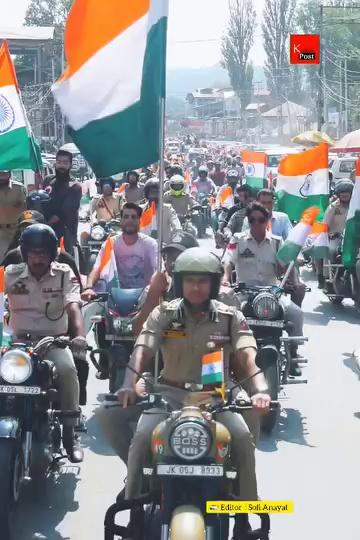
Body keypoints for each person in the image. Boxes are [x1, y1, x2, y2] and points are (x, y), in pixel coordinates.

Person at [117, 248, 270, 517]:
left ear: (213, 283)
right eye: (189, 280)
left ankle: (246, 513)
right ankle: (133, 512)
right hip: (169, 397)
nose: (196, 287)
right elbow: (143, 349)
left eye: (202, 280)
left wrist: (260, 390)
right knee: (141, 439)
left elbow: (248, 357)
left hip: (216, 400)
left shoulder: (230, 317)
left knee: (243, 438)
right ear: (180, 283)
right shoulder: (164, 314)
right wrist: (129, 383)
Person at [5, 224, 85, 462]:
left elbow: (73, 306)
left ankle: (70, 432)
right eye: (32, 253)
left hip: (53, 344)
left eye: (42, 253)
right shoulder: (9, 273)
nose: (37, 258)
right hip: (15, 345)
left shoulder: (63, 274)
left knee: (68, 370)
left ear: (52, 254)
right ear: (24, 253)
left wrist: (78, 336)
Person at [223, 202, 304, 376]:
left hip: (272, 293)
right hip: (244, 293)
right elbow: (227, 261)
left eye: (260, 220)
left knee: (296, 314)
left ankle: (294, 353)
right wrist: (224, 279)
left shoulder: (276, 242)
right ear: (248, 221)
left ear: (267, 220)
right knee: (226, 317)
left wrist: (293, 280)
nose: (256, 224)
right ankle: (228, 357)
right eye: (252, 220)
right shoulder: (237, 239)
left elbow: (286, 265)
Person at [243, 189, 305, 307]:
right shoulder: (241, 233)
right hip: (253, 264)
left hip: (280, 263)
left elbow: (291, 241)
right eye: (263, 203)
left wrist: (298, 257)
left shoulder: (279, 233)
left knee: (299, 289)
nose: (266, 206)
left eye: (269, 202)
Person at [82, 203, 158, 298]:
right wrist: (89, 288)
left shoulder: (150, 244)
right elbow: (97, 268)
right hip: (115, 296)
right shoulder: (110, 244)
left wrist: (153, 287)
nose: (129, 220)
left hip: (144, 297)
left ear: (139, 220)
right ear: (121, 221)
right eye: (126, 217)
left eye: (133, 217)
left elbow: (159, 270)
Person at [44, 149, 82, 255]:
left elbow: (63, 212)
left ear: (70, 165)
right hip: (46, 233)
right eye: (59, 162)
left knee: (66, 265)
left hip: (66, 235)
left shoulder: (74, 186)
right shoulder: (48, 181)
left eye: (65, 163)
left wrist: (45, 223)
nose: (61, 166)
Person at [318, 180, 353, 288]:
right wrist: (327, 234)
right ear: (338, 194)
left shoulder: (356, 205)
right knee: (331, 249)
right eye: (342, 193)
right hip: (337, 238)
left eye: (347, 193)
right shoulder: (332, 207)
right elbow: (325, 224)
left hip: (354, 238)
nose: (345, 195)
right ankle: (326, 277)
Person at [141, 178, 181, 244]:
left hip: (164, 247)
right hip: (144, 248)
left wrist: (177, 235)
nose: (155, 195)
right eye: (153, 192)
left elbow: (176, 225)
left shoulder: (168, 209)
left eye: (158, 192)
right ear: (147, 194)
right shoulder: (140, 210)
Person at [0, 170, 27, 263]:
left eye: (4, 174)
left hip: (16, 231)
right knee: (2, 262)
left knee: (19, 260)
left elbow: (25, 210)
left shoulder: (19, 188)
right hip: (1, 233)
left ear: (9, 174)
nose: (1, 177)